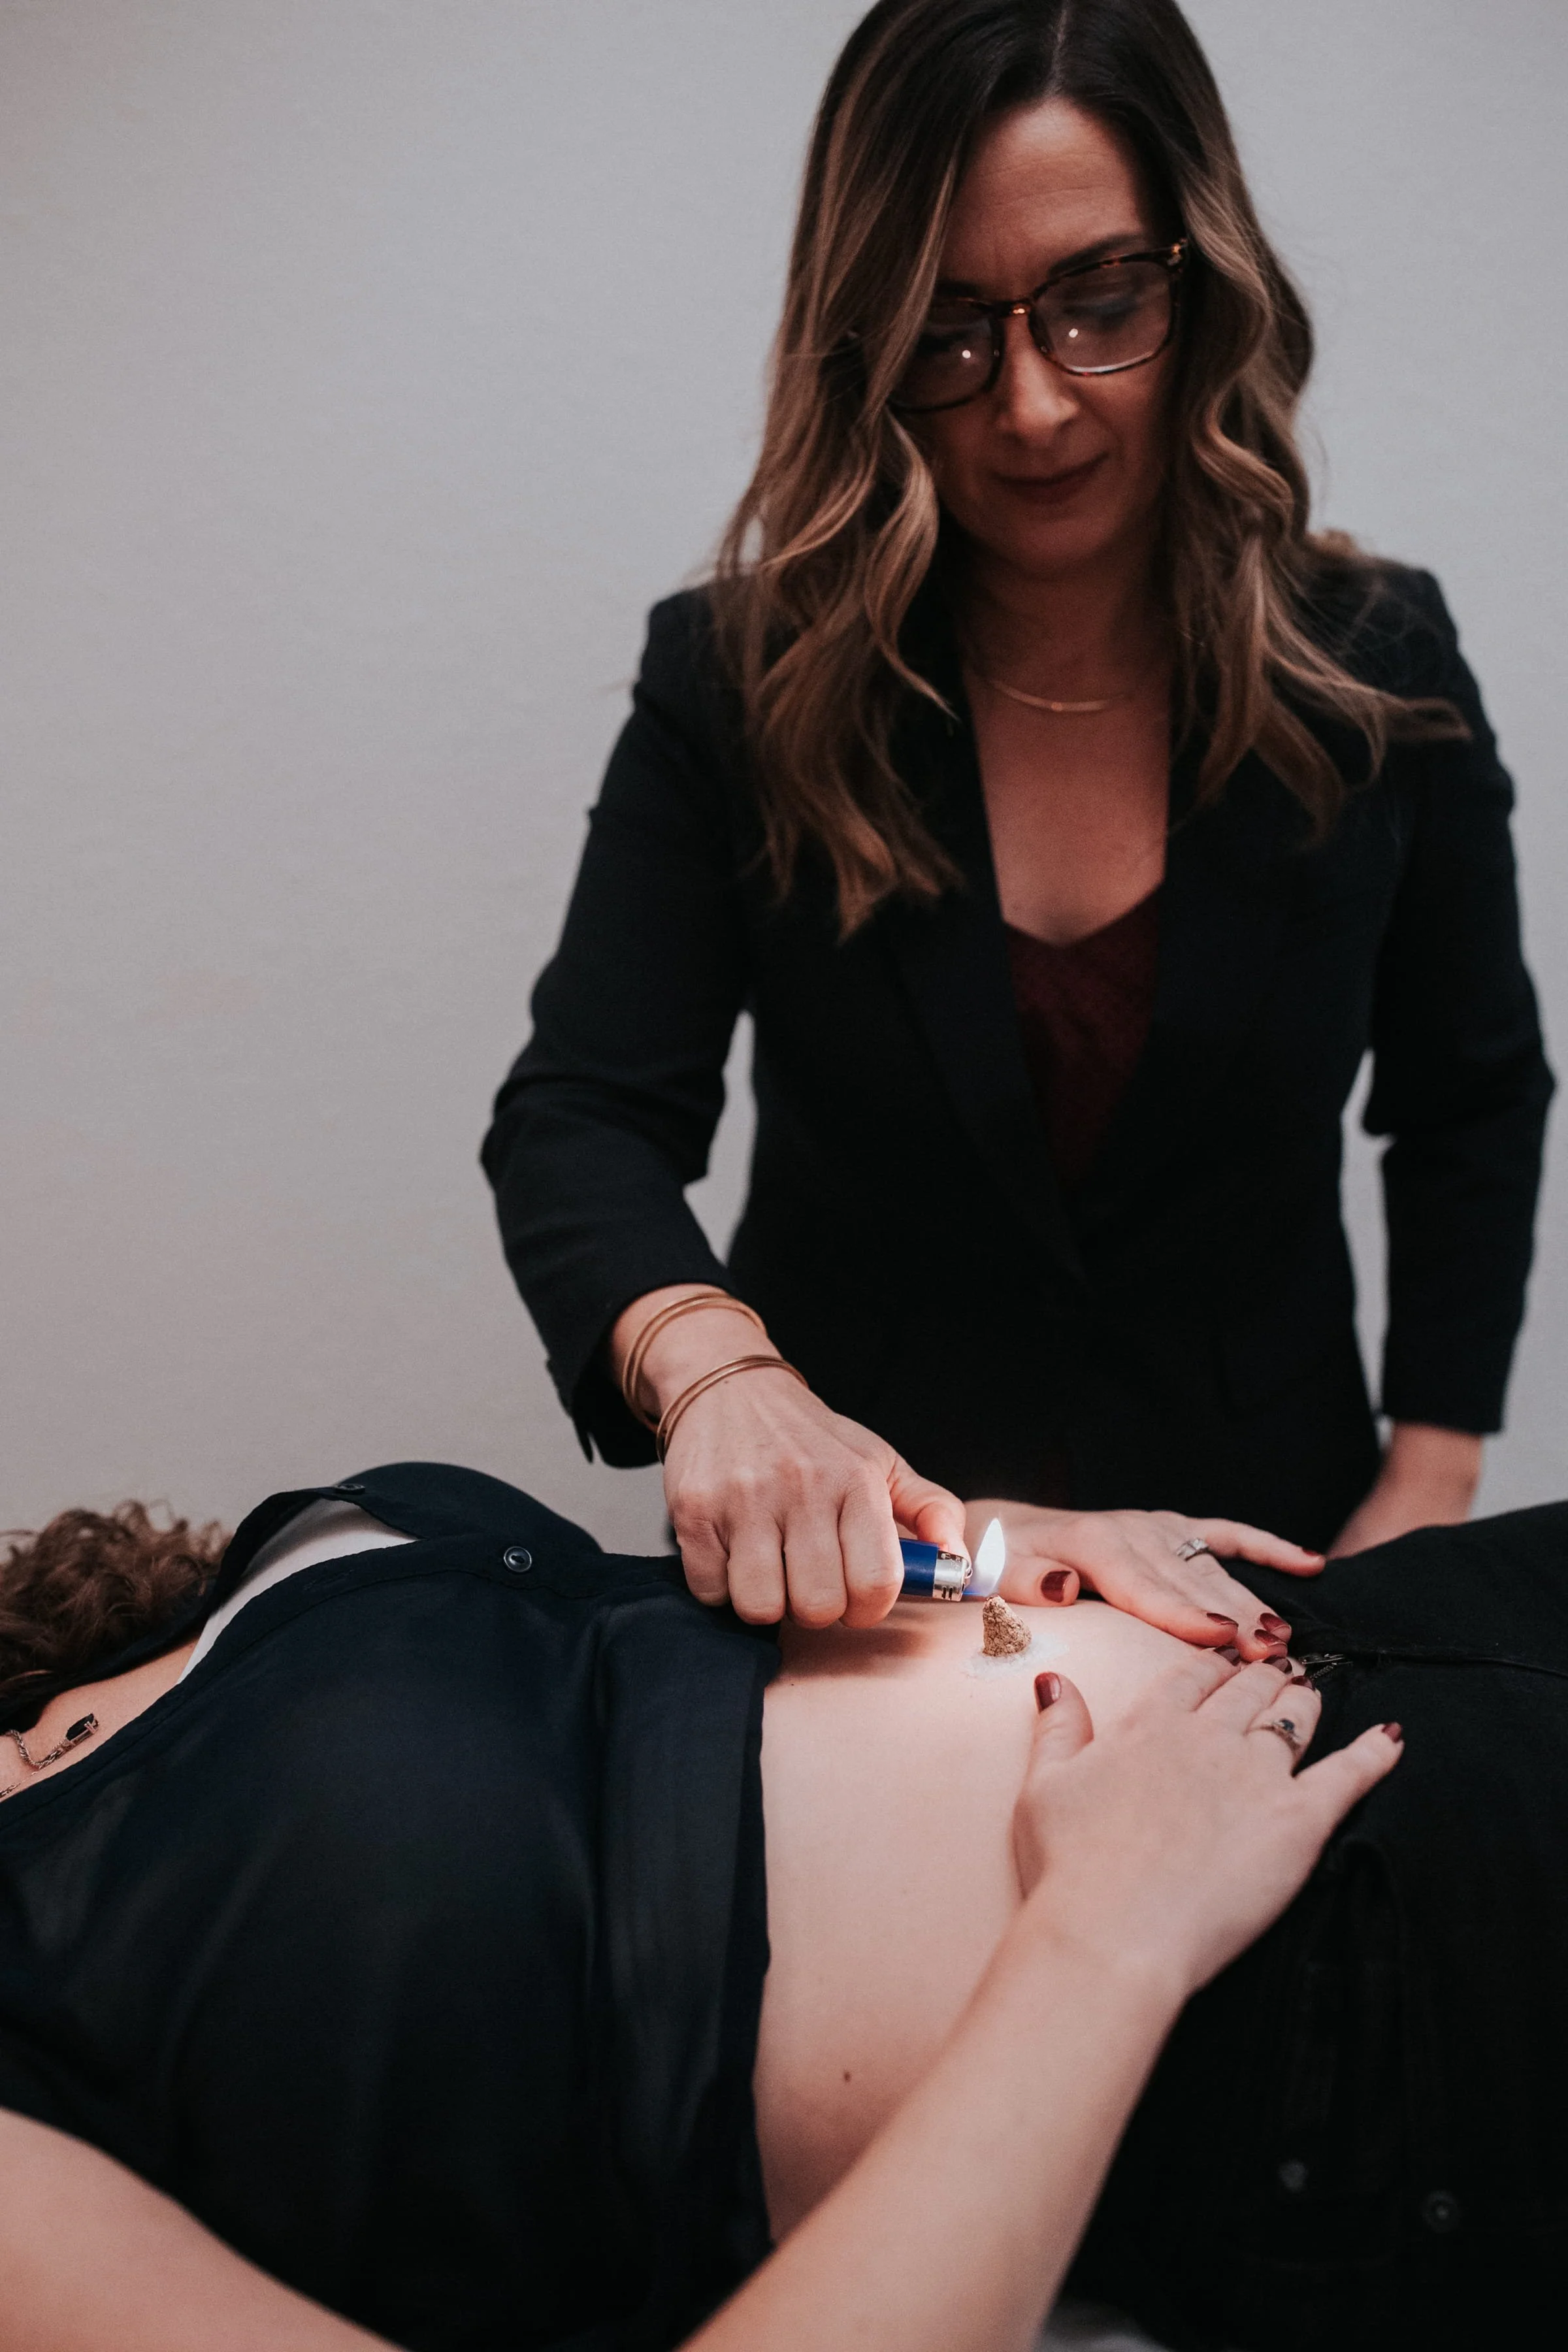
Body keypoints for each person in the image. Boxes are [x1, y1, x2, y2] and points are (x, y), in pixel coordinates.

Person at [483, 0, 1552, 1637]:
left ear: (1204, 283)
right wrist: (717, 1373)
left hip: (1275, 1565)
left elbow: (1471, 1097)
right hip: (874, 1579)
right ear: (862, 343)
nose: (1035, 405)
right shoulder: (737, 681)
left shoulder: (1379, 666)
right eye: (947, 330)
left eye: (1100, 302)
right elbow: (581, 1116)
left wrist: (1431, 1477)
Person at [0, 1462, 1563, 2351]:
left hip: (1407, 1627)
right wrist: (1109, 1934)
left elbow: (645, 1689)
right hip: (1346, 2003)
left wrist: (981, 1549)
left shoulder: (100, 1663)